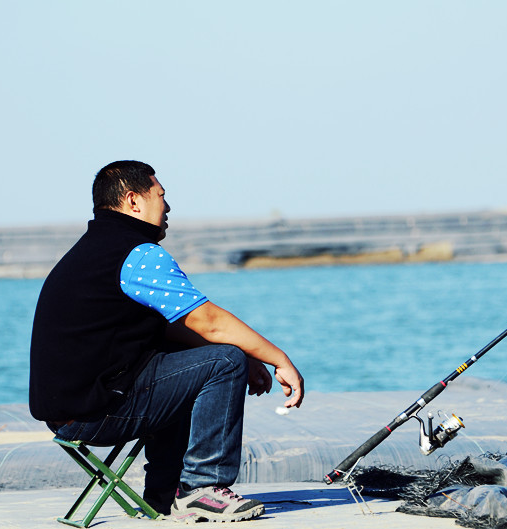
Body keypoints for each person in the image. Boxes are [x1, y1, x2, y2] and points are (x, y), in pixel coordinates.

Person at [29, 160, 304, 522]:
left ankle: (165, 493)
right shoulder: (137, 254)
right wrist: (278, 358)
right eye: (161, 196)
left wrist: (250, 355)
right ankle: (202, 490)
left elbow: (173, 328)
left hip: (71, 411)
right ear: (133, 201)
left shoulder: (97, 249)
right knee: (222, 361)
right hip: (95, 412)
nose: (168, 207)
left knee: (191, 359)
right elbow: (208, 321)